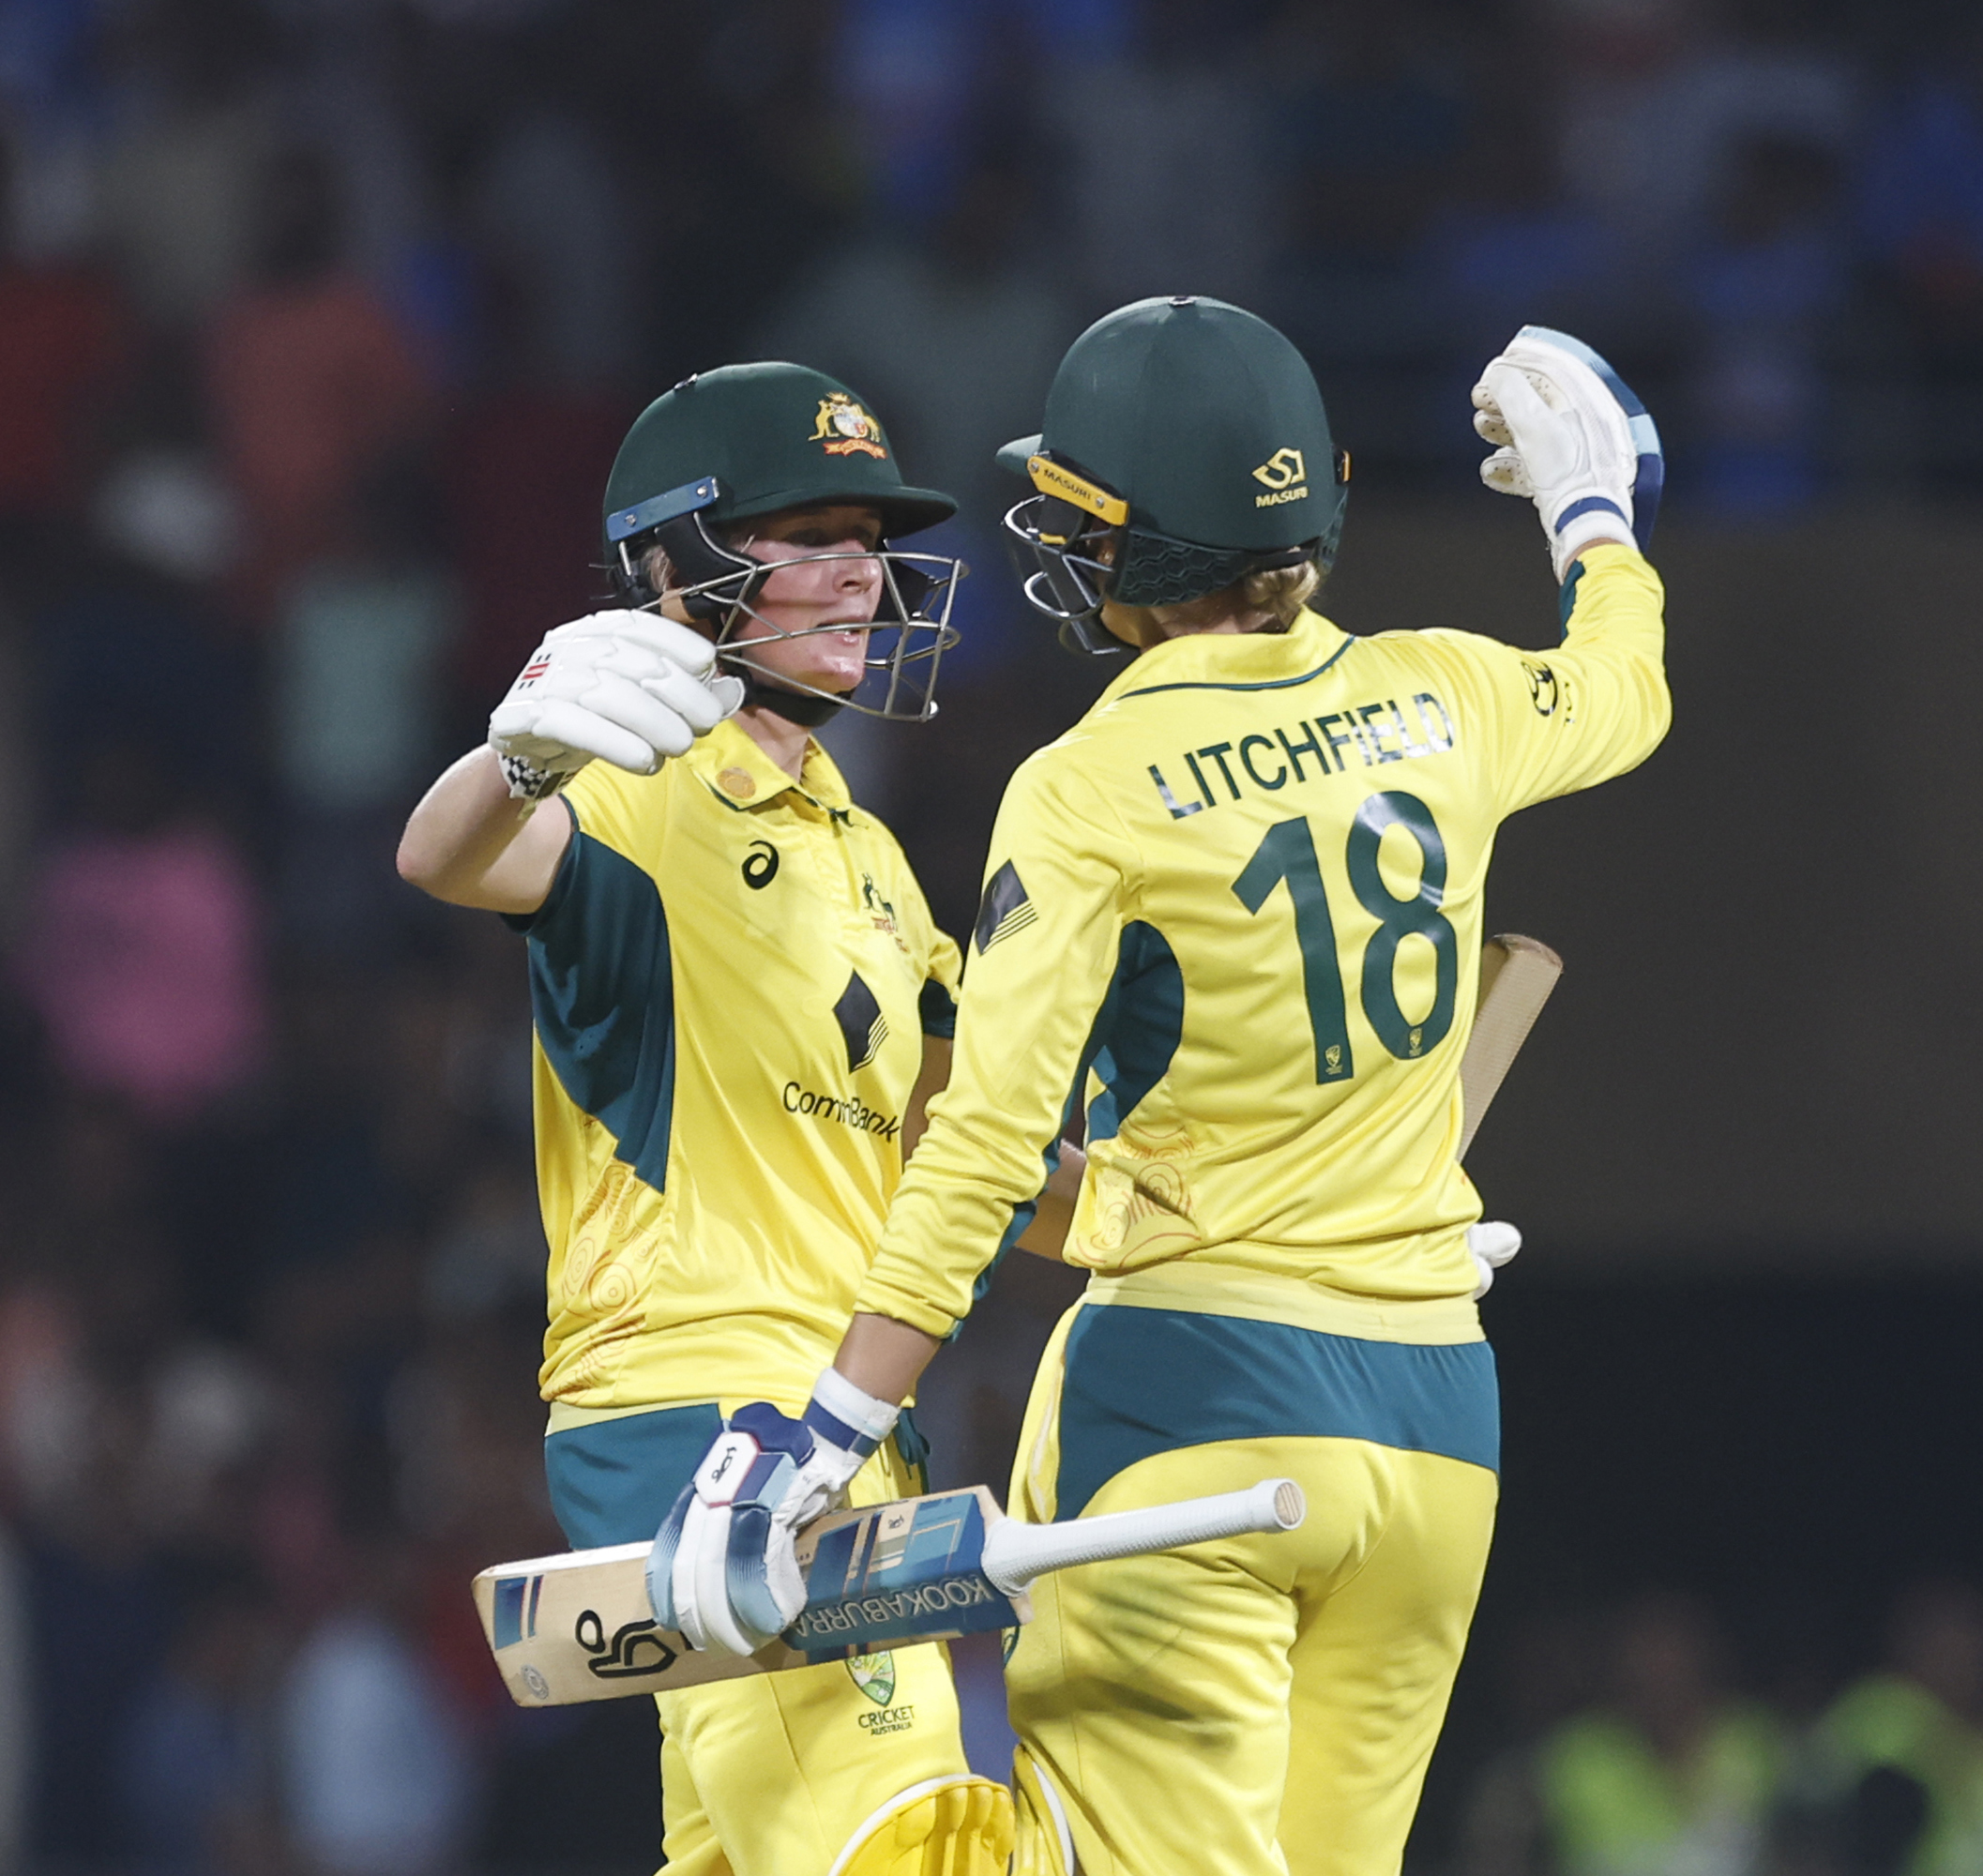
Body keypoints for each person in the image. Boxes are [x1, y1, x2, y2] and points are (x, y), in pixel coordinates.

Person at [658, 296, 1672, 1873]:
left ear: (1110, 546)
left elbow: (988, 1145)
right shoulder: (1451, 697)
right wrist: (1597, 520)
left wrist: (831, 1427)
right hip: (1433, 1420)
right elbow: (1624, 688)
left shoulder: (1085, 790)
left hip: (1190, 1402)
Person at [397, 361, 1066, 1874]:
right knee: (926, 1836)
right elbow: (445, 857)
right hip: (699, 1414)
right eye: (807, 532)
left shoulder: (878, 858)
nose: (858, 574)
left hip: (843, 1427)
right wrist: (522, 747)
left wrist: (1288, 1215)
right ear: (669, 567)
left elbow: (982, 1162)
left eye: (866, 538)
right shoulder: (627, 789)